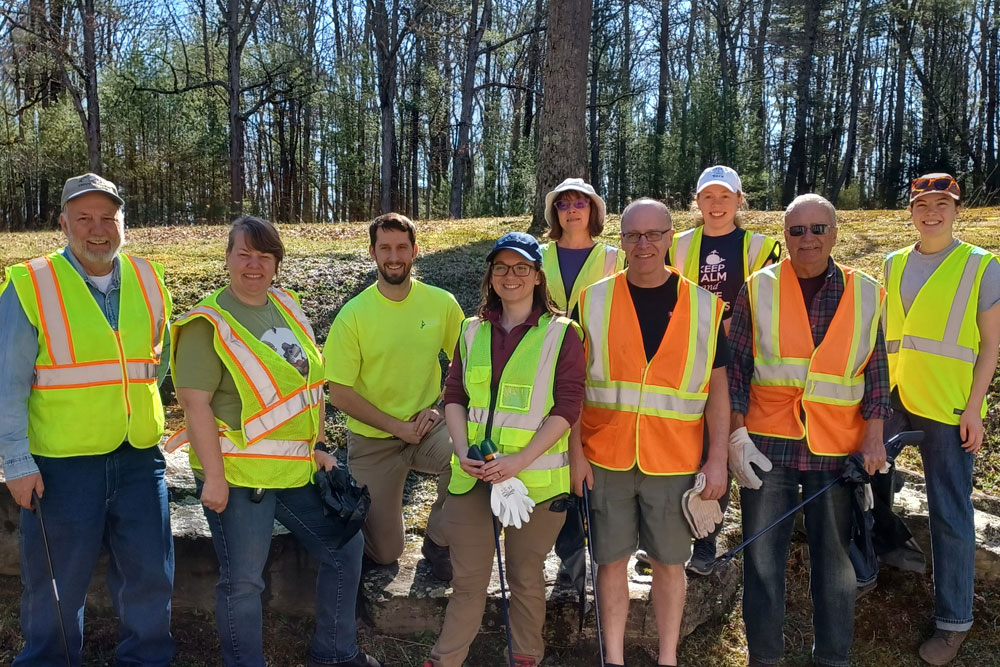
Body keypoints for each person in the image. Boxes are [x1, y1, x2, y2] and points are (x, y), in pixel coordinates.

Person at [169, 216, 378, 667]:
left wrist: (320, 445)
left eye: (264, 256)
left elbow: (308, 387)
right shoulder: (208, 324)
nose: (253, 264)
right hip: (241, 478)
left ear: (276, 264)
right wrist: (214, 480)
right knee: (244, 582)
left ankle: (336, 654)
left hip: (295, 469)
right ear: (227, 258)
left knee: (344, 546)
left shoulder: (285, 305)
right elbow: (196, 406)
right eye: (243, 254)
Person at [0, 173, 175, 665]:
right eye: (84, 218)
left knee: (150, 576)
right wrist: (15, 461)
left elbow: (155, 365)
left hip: (140, 458)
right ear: (63, 223)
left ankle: (147, 660)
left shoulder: (149, 277)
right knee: (55, 585)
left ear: (123, 222)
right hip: (61, 465)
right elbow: (6, 382)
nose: (98, 229)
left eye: (108, 217)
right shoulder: (29, 283)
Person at [727, 193, 889, 667]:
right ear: (785, 236)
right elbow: (736, 369)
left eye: (819, 229)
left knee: (836, 562)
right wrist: (736, 435)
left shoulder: (866, 292)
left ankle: (834, 658)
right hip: (767, 444)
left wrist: (874, 435)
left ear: (835, 233)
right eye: (797, 231)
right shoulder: (759, 288)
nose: (808, 239)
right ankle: (764, 658)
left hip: (838, 448)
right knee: (760, 560)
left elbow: (876, 371)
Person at [572, 199, 730, 667]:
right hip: (605, 457)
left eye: (653, 234)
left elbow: (718, 390)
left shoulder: (706, 308)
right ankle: (614, 658)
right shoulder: (592, 300)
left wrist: (717, 458)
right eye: (632, 236)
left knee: (669, 564)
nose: (643, 245)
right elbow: (572, 387)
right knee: (610, 562)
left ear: (670, 238)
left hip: (675, 460)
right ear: (620, 241)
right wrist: (576, 453)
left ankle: (667, 658)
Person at [425, 232, 585, 667]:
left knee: (525, 578)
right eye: (501, 267)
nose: (510, 276)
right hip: (473, 478)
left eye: (521, 268)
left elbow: (568, 406)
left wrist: (519, 461)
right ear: (491, 276)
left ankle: (525, 657)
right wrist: (461, 450)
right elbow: (454, 395)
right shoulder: (471, 330)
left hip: (534, 483)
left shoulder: (563, 334)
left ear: (537, 276)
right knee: (469, 581)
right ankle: (445, 660)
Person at [881, 174, 1000, 665]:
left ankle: (954, 623)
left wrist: (975, 407)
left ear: (956, 210)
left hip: (949, 408)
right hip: (893, 399)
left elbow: (991, 344)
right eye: (922, 204)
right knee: (866, 482)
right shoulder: (892, 264)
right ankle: (876, 561)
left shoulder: (981, 267)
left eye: (942, 205)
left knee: (950, 513)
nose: (931, 212)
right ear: (911, 211)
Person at [324, 212, 465, 581]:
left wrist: (439, 408)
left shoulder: (442, 304)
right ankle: (367, 512)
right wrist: (396, 428)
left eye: (402, 247)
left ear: (415, 250)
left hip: (426, 430)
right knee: (386, 553)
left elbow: (467, 367)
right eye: (385, 247)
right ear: (372, 253)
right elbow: (339, 393)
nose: (394, 256)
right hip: (373, 441)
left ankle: (439, 539)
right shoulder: (353, 316)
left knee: (468, 460)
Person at [665, 165, 782, 576]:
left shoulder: (760, 247)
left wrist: (720, 327)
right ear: (697, 202)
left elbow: (766, 304)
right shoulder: (675, 245)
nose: (716, 205)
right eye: (708, 197)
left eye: (725, 197)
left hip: (736, 359)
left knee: (722, 445)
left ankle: (705, 541)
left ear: (739, 200)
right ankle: (671, 538)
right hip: (684, 357)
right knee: (682, 443)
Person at [539, 177, 625, 594]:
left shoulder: (615, 258)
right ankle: (570, 558)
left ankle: (606, 554)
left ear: (594, 210)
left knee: (596, 464)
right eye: (563, 204)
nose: (572, 210)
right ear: (554, 213)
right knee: (557, 464)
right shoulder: (538, 257)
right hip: (545, 372)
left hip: (601, 375)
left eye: (580, 203)